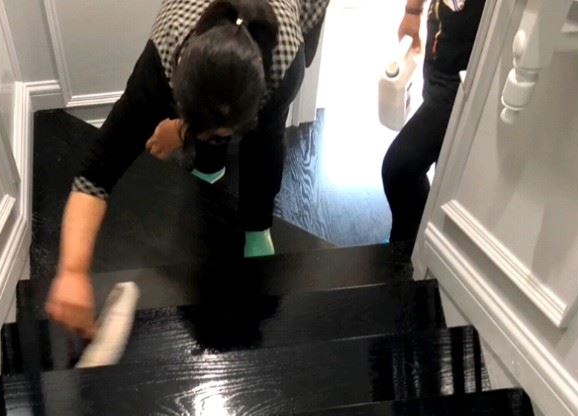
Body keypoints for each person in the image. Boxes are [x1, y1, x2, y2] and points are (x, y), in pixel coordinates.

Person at [46, 0, 329, 339]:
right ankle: (208, 169)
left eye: (221, 134)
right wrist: (72, 271)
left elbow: (264, 148)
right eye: (199, 128)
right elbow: (96, 172)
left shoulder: (285, 66)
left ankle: (255, 223)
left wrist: (258, 224)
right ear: (178, 97)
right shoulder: (159, 63)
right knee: (211, 139)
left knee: (262, 142)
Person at [382, 0, 486, 244]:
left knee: (399, 169)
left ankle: (411, 248)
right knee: (442, 165)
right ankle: (418, 242)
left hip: (465, 76)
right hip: (440, 54)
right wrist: (413, 11)